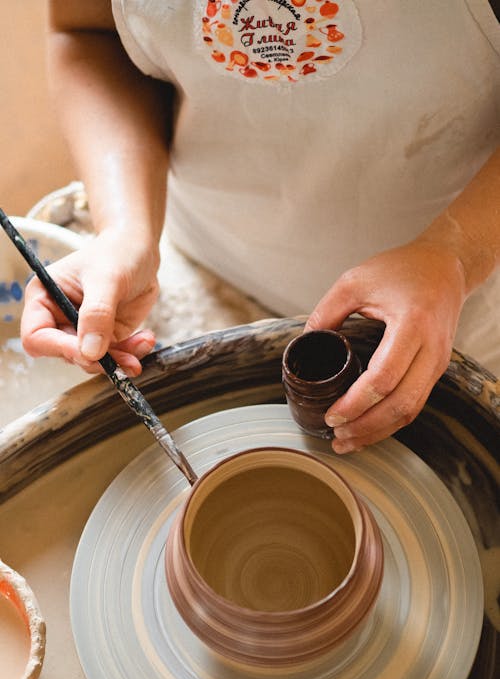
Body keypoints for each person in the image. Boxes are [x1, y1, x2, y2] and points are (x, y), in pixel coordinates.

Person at [22, 0, 500, 454]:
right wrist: (127, 232)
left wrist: (455, 251)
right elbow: (90, 32)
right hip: (201, 253)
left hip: (450, 294)